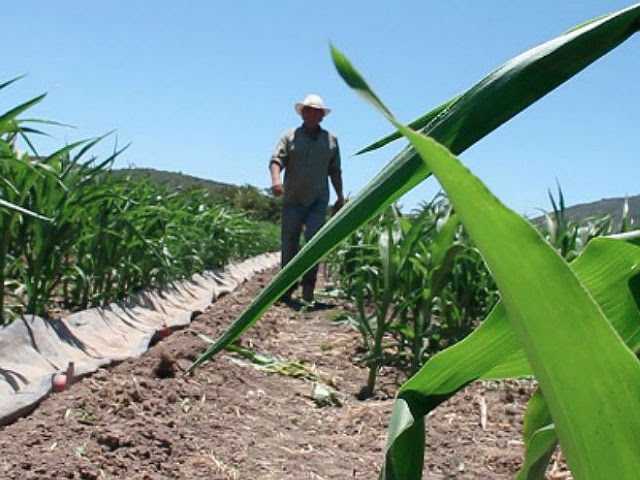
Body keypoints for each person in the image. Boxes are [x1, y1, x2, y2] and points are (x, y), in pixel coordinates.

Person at [269, 93, 345, 303]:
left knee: (314, 241)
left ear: (322, 116)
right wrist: (276, 180)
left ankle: (308, 287)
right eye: (308, 111)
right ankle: (285, 287)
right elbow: (276, 160)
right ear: (302, 114)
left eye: (316, 112)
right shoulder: (290, 137)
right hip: (293, 199)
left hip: (318, 201)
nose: (312, 115)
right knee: (290, 242)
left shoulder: (331, 141)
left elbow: (335, 170)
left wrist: (340, 197)